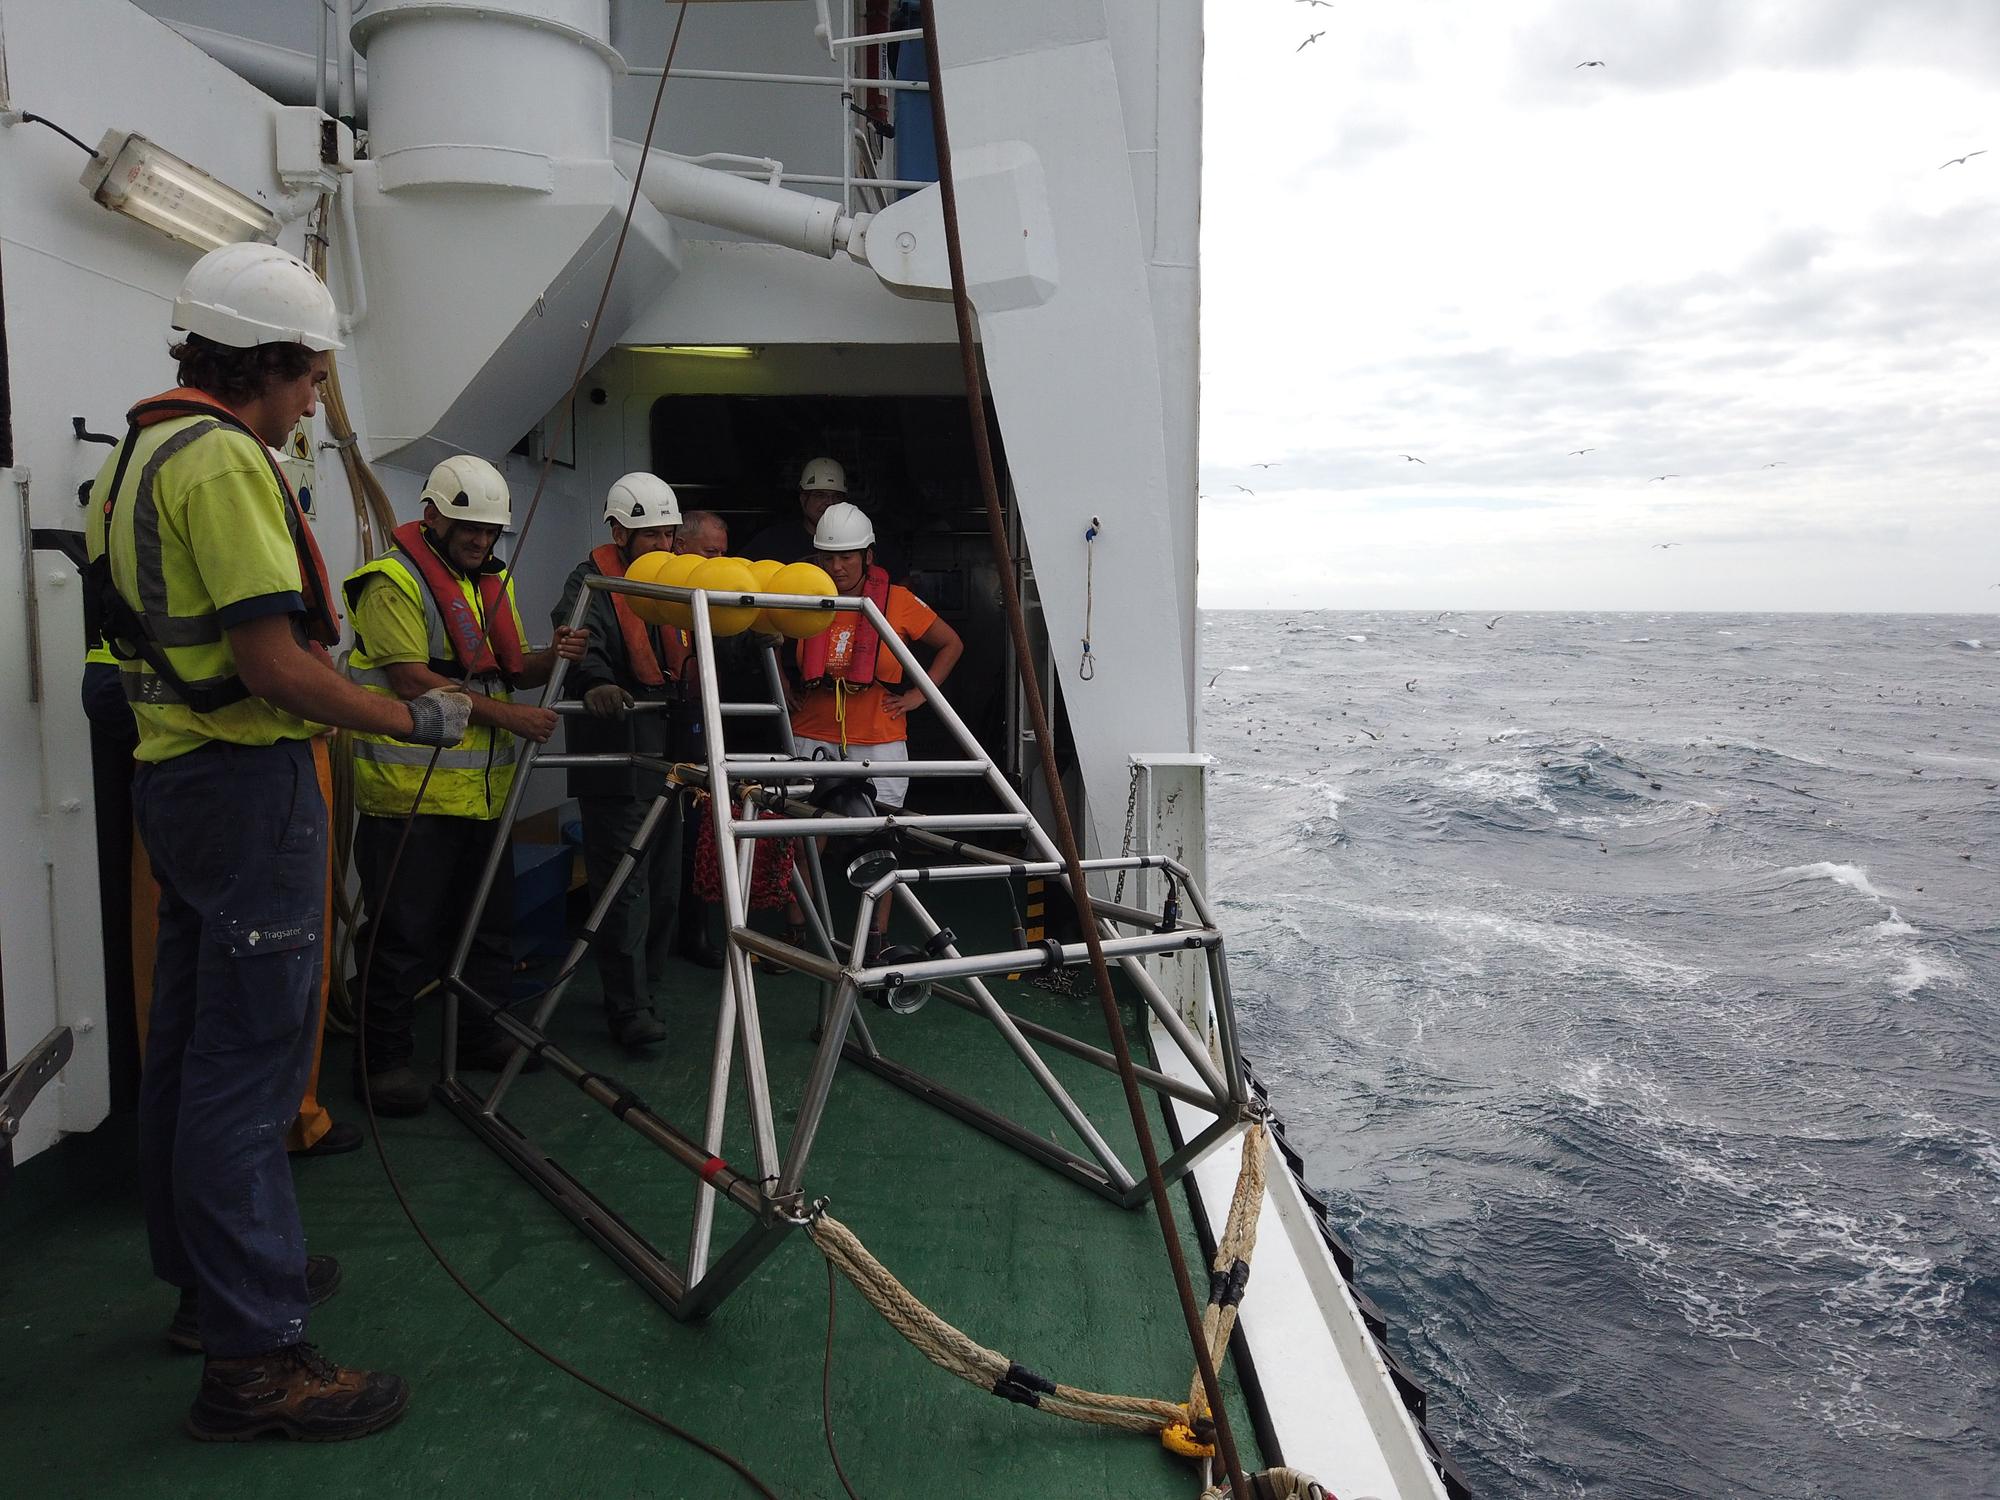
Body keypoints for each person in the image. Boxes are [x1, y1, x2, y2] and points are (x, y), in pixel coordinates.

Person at [85, 241, 472, 1440]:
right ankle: (256, 1364)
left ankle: (212, 1293)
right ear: (268, 364)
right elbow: (271, 661)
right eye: (310, 377)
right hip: (246, 787)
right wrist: (412, 716)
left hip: (174, 781)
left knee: (195, 1050)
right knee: (250, 1071)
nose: (316, 400)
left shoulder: (133, 456)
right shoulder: (222, 461)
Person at [343, 455, 586, 1114]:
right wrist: (513, 717)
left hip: (483, 798)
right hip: (409, 795)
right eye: (468, 528)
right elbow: (411, 680)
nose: (480, 540)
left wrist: (550, 656)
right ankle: (383, 1059)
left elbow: (502, 670)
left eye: (488, 531)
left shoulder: (488, 584)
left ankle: (483, 1031)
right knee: (401, 932)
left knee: (489, 925)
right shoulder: (391, 582)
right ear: (432, 517)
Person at [785, 502, 962, 959]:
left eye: (846, 556)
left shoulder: (898, 601)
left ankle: (875, 935)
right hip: (813, 735)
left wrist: (918, 696)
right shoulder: (799, 594)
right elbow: (764, 638)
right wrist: (784, 689)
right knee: (806, 837)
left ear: (868, 555)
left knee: (882, 837)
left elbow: (950, 644)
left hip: (881, 739)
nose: (837, 566)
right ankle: (797, 927)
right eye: (828, 557)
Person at [553, 474, 686, 1049]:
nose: (661, 545)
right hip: (616, 755)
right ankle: (628, 1008)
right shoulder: (589, 583)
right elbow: (580, 641)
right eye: (649, 535)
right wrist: (597, 683)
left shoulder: (674, 586)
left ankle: (646, 990)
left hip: (669, 756)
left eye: (667, 535)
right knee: (623, 889)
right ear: (618, 532)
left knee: (663, 884)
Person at [747, 456, 847, 564]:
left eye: (836, 496)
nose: (829, 502)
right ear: (803, 498)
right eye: (820, 495)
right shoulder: (773, 541)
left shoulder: (854, 542)